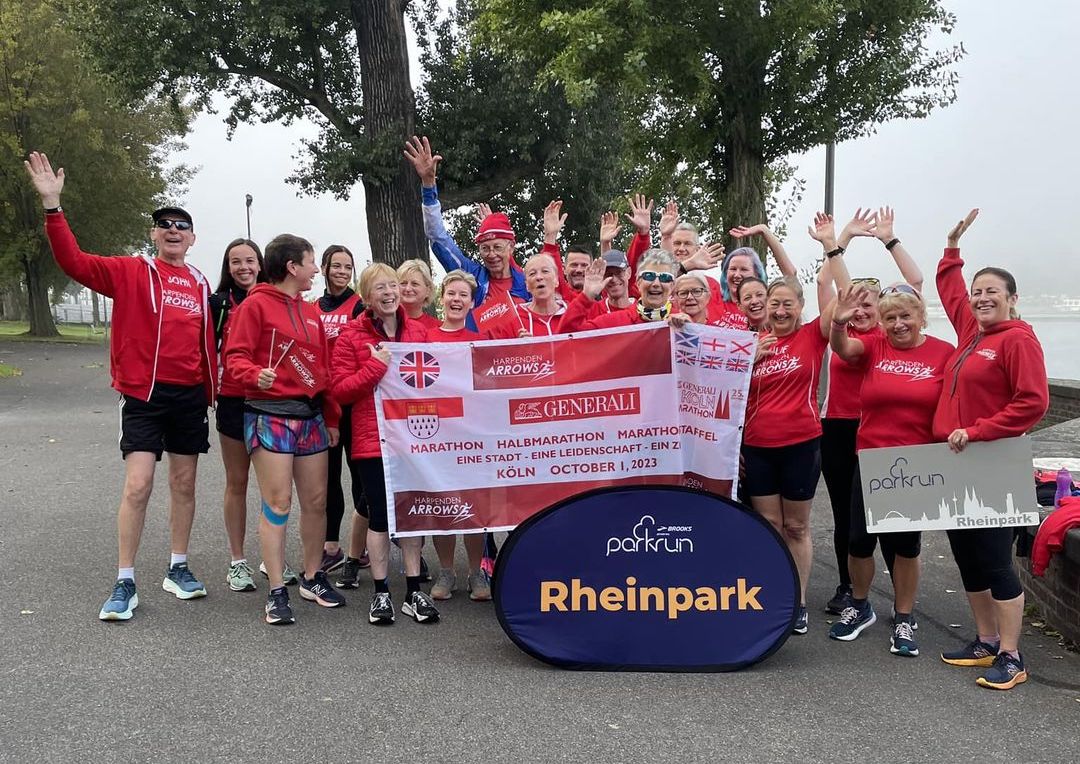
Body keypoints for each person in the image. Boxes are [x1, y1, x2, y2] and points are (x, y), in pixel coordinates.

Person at [25, 151, 216, 622]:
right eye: (164, 224)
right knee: (138, 485)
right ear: (154, 234)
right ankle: (125, 579)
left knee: (185, 483)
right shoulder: (132, 272)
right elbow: (73, 262)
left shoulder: (200, 282)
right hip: (144, 397)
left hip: (189, 397)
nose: (173, 230)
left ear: (193, 238)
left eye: (182, 225)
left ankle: (179, 567)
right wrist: (53, 206)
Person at [933, 209, 1049, 690]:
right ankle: (984, 640)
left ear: (1012, 300)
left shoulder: (1017, 341)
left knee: (996, 559)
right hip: (959, 464)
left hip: (995, 464)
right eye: (978, 292)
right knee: (967, 556)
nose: (981, 299)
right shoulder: (972, 336)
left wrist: (979, 430)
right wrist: (953, 248)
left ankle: (1012, 653)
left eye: (992, 292)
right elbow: (952, 293)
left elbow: (1034, 402)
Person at [826, 282, 954, 656]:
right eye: (891, 317)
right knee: (859, 541)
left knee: (905, 545)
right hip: (872, 458)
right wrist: (839, 323)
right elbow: (844, 348)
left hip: (915, 463)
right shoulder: (875, 347)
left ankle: (903, 616)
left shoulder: (942, 353)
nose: (898, 323)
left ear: (921, 316)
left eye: (906, 316)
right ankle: (861, 605)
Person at [224, 234, 345, 624]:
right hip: (269, 414)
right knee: (278, 504)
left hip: (310, 417)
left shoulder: (310, 311)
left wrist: (330, 418)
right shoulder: (254, 306)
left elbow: (322, 369)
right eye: (311, 262)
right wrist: (254, 373)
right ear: (292, 266)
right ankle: (276, 590)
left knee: (317, 502)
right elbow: (234, 358)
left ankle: (313, 576)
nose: (316, 269)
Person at [809, 208, 924, 615]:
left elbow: (915, 285)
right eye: (855, 305)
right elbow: (829, 283)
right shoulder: (843, 331)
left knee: (892, 520)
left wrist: (889, 240)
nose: (860, 310)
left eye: (868, 305)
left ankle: (901, 598)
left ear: (881, 308)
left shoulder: (884, 336)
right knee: (847, 514)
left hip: (882, 429)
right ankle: (847, 586)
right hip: (839, 426)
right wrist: (841, 239)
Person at [331, 263, 439, 625]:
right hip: (372, 440)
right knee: (378, 514)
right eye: (380, 288)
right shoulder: (350, 337)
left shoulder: (420, 333)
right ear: (367, 298)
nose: (390, 292)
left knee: (410, 515)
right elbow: (341, 390)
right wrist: (375, 368)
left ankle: (413, 592)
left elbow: (439, 379)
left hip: (413, 439)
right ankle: (380, 592)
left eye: (393, 285)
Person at [741, 275, 833, 635]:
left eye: (787, 304)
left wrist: (833, 246)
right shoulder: (748, 343)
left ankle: (798, 602)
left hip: (801, 445)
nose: (779, 311)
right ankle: (773, 594)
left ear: (799, 307)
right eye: (773, 304)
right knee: (770, 525)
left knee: (796, 527)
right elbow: (722, 387)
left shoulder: (811, 335)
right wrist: (748, 360)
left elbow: (838, 307)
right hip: (758, 446)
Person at [405, 136, 569, 333]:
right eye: (485, 248)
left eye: (497, 247)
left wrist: (550, 238)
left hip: (520, 361)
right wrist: (428, 185)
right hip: (477, 360)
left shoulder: (527, 283)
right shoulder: (471, 276)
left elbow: (554, 289)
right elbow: (437, 236)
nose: (491, 254)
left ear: (511, 247)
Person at [210, 238, 271, 593]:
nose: (243, 267)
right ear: (227, 266)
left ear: (261, 264)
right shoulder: (218, 303)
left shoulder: (275, 300)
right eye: (236, 262)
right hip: (233, 401)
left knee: (272, 487)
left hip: (267, 402)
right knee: (237, 482)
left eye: (250, 260)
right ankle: (237, 561)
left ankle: (271, 557)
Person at [425, 270, 490, 601]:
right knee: (443, 505)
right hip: (436, 436)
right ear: (442, 296)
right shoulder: (424, 338)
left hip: (472, 434)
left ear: (470, 302)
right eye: (451, 293)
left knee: (474, 507)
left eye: (463, 295)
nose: (456, 300)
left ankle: (476, 573)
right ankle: (446, 572)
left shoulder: (481, 341)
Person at [313, 245, 370, 581]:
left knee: (360, 477)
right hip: (323, 404)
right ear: (324, 268)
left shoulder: (358, 305)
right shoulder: (313, 308)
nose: (342, 271)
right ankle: (331, 546)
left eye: (348, 266)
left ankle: (358, 547)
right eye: (336, 266)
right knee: (327, 479)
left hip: (354, 403)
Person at [560, 249, 681, 332]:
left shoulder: (684, 321)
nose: (656, 283)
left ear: (672, 285)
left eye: (665, 277)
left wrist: (690, 327)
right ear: (638, 282)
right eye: (648, 276)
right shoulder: (615, 322)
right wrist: (586, 297)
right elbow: (566, 336)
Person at [487, 253, 567, 338]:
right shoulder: (514, 318)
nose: (539, 277)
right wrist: (521, 348)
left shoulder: (571, 313)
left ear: (556, 281)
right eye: (532, 274)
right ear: (527, 285)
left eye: (545, 271)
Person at [398, 258, 441, 331]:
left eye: (415, 284)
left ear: (428, 290)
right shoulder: (383, 326)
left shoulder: (438, 328)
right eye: (403, 283)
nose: (408, 289)